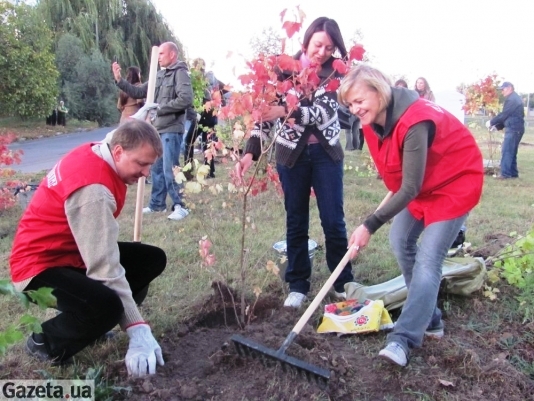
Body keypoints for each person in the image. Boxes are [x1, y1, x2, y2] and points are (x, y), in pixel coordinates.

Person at [338, 65, 483, 367]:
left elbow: (410, 186)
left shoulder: (416, 121)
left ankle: (403, 339)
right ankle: (430, 320)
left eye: (359, 101)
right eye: (350, 104)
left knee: (430, 258)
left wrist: (370, 223)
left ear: (379, 92)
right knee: (400, 239)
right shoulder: (373, 120)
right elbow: (402, 175)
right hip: (424, 186)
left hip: (453, 184)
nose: (355, 109)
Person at [9, 120, 167, 377]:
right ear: (118, 152)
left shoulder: (101, 150)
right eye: (141, 164)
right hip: (38, 268)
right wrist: (137, 328)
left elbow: (117, 134)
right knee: (106, 306)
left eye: (150, 165)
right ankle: (45, 342)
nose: (146, 173)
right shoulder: (93, 191)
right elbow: (104, 266)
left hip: (71, 253)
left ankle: (94, 324)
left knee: (150, 259)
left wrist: (138, 118)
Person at [235, 17, 356, 308]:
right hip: (292, 155)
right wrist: (250, 151)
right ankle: (298, 284)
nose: (323, 51)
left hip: (327, 156)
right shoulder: (283, 70)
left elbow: (324, 114)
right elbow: (264, 115)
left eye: (329, 47)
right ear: (307, 40)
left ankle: (342, 281)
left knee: (333, 220)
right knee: (296, 219)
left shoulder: (336, 73)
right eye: (318, 44)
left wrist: (283, 110)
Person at [112, 42, 193, 221]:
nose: (159, 57)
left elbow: (186, 99)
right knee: (155, 168)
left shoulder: (180, 73)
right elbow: (139, 91)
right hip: (157, 129)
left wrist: (160, 109)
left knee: (170, 168)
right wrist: (120, 80)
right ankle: (157, 204)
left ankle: (181, 205)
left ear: (172, 55)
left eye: (162, 54)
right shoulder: (159, 75)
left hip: (172, 128)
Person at [487, 81, 525, 179]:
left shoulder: (512, 99)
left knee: (507, 150)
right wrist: (497, 126)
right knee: (511, 151)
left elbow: (505, 114)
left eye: (503, 89)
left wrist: (491, 122)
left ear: (509, 88)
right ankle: (513, 173)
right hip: (516, 128)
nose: (502, 92)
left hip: (513, 129)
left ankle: (505, 174)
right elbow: (509, 116)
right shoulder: (514, 98)